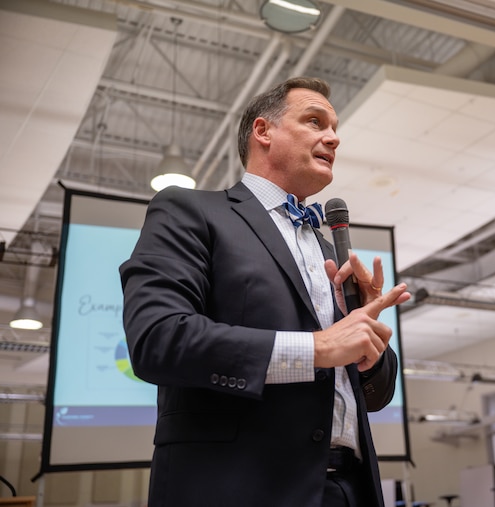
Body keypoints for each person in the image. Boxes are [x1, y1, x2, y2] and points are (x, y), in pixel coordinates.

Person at [120, 76, 411, 507]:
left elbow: (373, 397)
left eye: (334, 129)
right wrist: (318, 347)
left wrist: (369, 352)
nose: (333, 138)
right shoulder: (190, 210)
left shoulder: (329, 251)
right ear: (263, 132)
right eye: (315, 121)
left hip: (350, 490)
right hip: (237, 488)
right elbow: (158, 339)